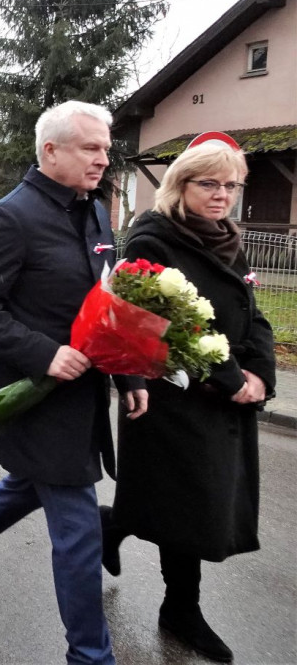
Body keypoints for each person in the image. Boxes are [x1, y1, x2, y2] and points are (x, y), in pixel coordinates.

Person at [0, 101, 148, 665]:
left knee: (23, 486)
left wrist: (128, 372)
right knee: (77, 531)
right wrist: (45, 354)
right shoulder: (10, 217)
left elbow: (106, 304)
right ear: (51, 151)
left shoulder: (96, 213)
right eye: (91, 148)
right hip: (37, 396)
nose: (104, 158)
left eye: (105, 148)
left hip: (87, 392)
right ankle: (91, 656)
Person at [102, 141, 275, 664]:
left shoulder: (225, 238)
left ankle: (111, 524)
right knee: (190, 505)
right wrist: (229, 378)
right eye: (210, 184)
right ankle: (181, 609)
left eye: (231, 186)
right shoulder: (154, 239)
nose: (222, 195)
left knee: (187, 497)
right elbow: (159, 325)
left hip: (223, 396)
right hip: (172, 397)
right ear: (182, 185)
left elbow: (252, 310)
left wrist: (261, 373)